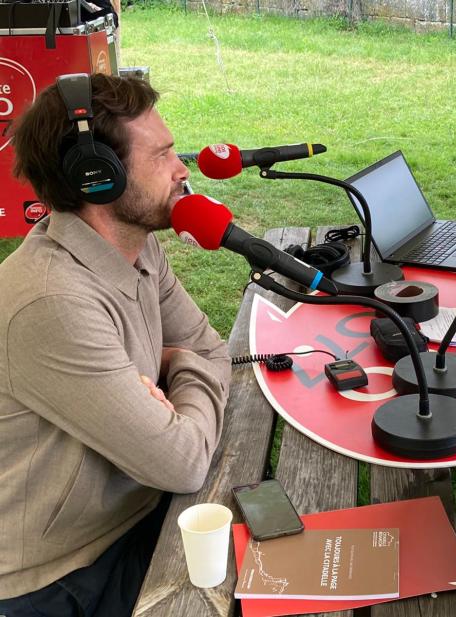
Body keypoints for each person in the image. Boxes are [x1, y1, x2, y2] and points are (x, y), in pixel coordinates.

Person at [0, 73, 230, 616]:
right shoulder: (52, 302)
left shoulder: (139, 248)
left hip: (137, 509)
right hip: (60, 577)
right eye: (164, 156)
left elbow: (211, 350)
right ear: (97, 176)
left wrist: (179, 363)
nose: (183, 171)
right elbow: (183, 461)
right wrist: (185, 366)